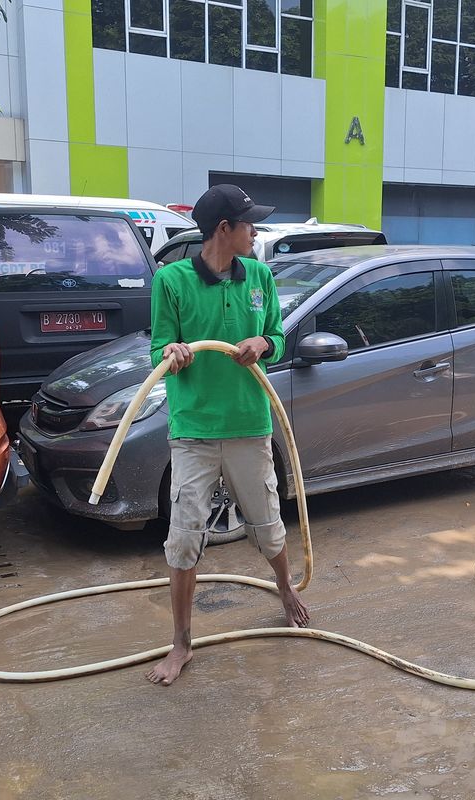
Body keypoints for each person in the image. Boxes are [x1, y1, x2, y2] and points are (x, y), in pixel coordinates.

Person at [146, 184, 310, 686]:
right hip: (194, 432)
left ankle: (286, 589)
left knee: (266, 523)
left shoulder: (260, 276)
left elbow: (279, 338)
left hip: (248, 427)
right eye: (249, 224)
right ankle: (181, 644)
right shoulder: (172, 281)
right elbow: (157, 352)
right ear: (224, 229)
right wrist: (173, 355)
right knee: (184, 537)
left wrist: (264, 341)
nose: (255, 231)